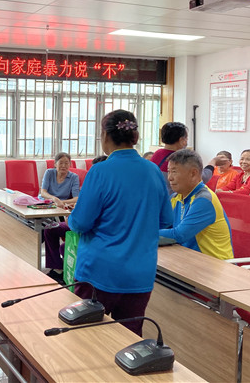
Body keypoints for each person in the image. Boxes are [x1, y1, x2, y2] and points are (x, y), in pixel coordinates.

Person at [68, 110, 172, 336]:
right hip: (140, 272)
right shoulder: (153, 170)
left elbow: (81, 222)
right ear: (135, 136)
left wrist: (71, 218)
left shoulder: (100, 170)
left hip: (100, 272)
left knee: (86, 336)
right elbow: (166, 220)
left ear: (105, 135)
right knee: (129, 337)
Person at [159, 149, 233, 260]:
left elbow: (179, 235)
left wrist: (143, 235)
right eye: (169, 171)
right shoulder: (176, 197)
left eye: (174, 172)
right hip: (191, 259)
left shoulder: (204, 199)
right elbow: (162, 224)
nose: (169, 177)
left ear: (193, 174)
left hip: (216, 265)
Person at [40, 152, 81, 283]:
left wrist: (62, 202)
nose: (64, 166)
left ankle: (57, 268)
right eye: (61, 163)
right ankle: (56, 267)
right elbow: (43, 192)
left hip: (62, 208)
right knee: (43, 227)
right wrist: (54, 198)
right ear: (55, 164)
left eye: (66, 163)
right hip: (48, 203)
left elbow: (77, 198)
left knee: (49, 229)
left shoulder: (73, 177)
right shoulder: (49, 173)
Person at [150, 122, 220, 193]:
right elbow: (201, 178)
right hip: (173, 198)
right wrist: (213, 162)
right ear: (181, 140)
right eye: (186, 138)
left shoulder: (157, 154)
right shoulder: (181, 158)